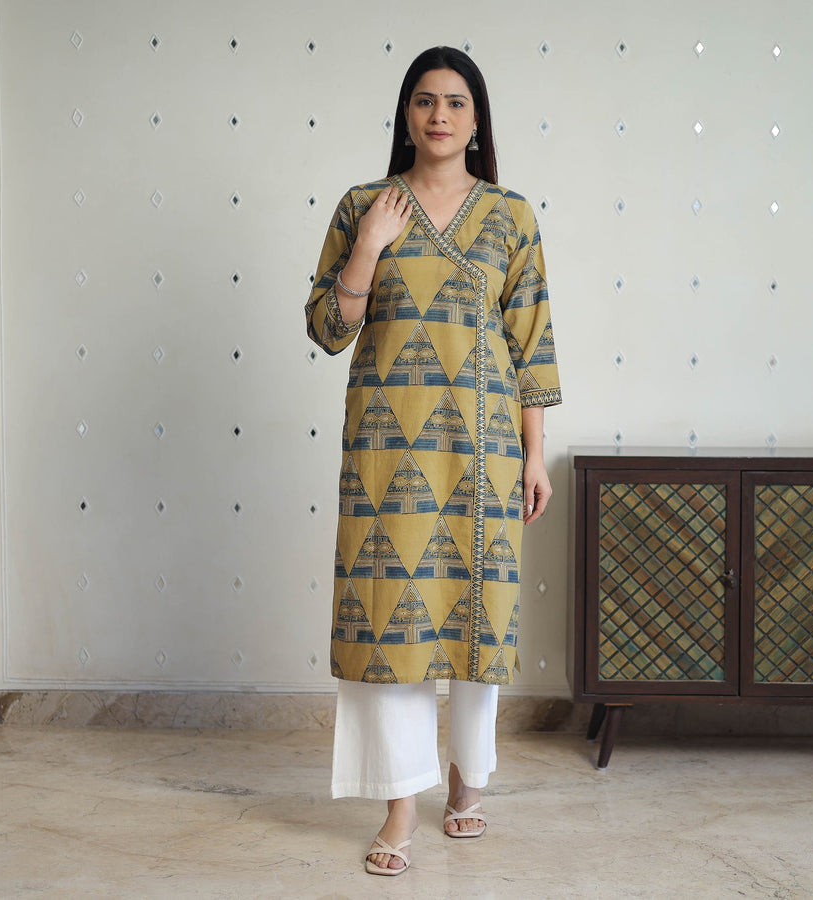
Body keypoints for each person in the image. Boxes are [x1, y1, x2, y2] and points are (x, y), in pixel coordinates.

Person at [305, 46, 561, 876]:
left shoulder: (511, 216)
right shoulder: (364, 206)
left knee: (477, 614)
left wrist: (534, 455)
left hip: (482, 451)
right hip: (387, 452)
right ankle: (398, 809)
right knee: (390, 622)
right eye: (424, 100)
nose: (439, 115)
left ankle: (466, 782)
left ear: (476, 119)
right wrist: (368, 247)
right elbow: (328, 329)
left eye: (455, 102)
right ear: (406, 115)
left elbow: (532, 342)